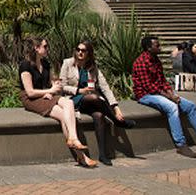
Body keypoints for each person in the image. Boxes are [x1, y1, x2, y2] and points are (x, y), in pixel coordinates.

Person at [132, 36, 196, 157]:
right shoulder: (141, 62)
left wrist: (171, 93)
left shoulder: (156, 60)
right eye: (157, 45)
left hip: (160, 93)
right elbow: (148, 87)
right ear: (148, 48)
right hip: (145, 95)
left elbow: (162, 80)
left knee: (191, 106)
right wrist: (169, 97)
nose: (160, 47)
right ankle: (181, 145)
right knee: (172, 107)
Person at [20, 37, 96, 168]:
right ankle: (78, 149)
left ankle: (77, 149)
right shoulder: (25, 65)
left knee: (66, 111)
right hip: (31, 99)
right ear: (36, 48)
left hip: (45, 96)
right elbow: (30, 92)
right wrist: (49, 90)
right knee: (66, 108)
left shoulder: (46, 64)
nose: (47, 48)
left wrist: (52, 88)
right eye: (45, 46)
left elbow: (50, 83)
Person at [60, 41, 136, 166]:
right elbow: (62, 86)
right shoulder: (68, 63)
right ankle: (117, 121)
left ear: (89, 54)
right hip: (73, 99)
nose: (80, 52)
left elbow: (105, 87)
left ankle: (102, 154)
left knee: (99, 116)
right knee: (95, 98)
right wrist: (79, 90)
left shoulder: (92, 67)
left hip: (88, 102)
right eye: (78, 49)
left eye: (83, 50)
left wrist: (115, 107)